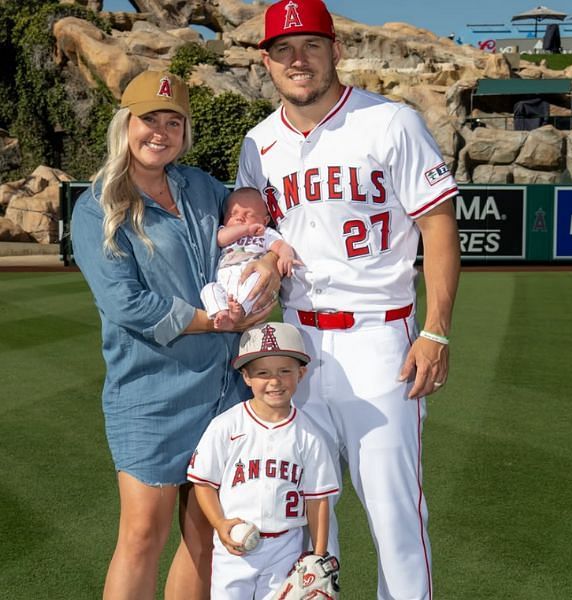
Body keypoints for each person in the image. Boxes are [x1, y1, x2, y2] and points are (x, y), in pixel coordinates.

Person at [234, 1, 462, 597]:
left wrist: (436, 331)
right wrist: (262, 252)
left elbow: (439, 226)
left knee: (395, 517)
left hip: (377, 337)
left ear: (336, 50)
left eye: (310, 45)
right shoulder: (257, 143)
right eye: (283, 49)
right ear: (267, 62)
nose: (297, 59)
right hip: (293, 341)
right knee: (302, 512)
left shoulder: (390, 122)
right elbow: (254, 234)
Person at [71, 70, 280, 599]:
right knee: (142, 535)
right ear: (126, 124)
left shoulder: (203, 188)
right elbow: (125, 303)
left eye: (173, 121)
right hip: (150, 393)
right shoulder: (97, 205)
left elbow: (253, 234)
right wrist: (212, 321)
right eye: (149, 119)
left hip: (223, 390)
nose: (159, 132)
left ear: (185, 131)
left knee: (207, 536)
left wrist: (278, 255)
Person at [188, 322, 341, 599]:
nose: (274, 381)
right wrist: (219, 524)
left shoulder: (309, 435)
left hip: (286, 546)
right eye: (262, 373)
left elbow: (318, 500)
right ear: (246, 376)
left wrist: (318, 555)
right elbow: (204, 483)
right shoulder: (226, 426)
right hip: (234, 547)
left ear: (301, 373)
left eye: (285, 371)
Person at [201, 188, 297, 330]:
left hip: (250, 275)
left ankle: (241, 312)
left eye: (249, 214)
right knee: (209, 289)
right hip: (224, 280)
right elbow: (220, 239)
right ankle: (222, 313)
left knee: (259, 279)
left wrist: (286, 256)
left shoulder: (265, 234)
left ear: (265, 220)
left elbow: (281, 245)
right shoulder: (225, 231)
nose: (240, 218)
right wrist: (246, 229)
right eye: (233, 214)